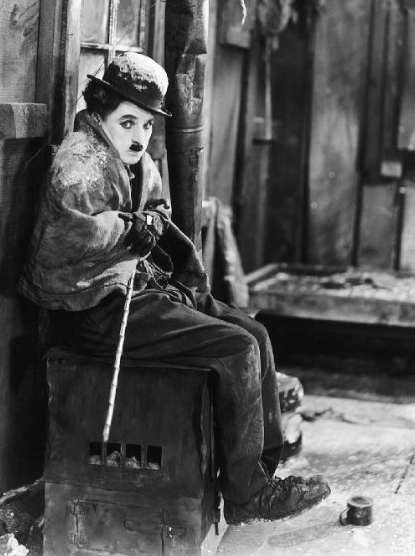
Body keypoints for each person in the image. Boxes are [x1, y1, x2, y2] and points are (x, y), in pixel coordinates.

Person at [18, 52, 330, 524]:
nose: (139, 136)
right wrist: (128, 229)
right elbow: (65, 237)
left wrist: (150, 221)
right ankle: (247, 495)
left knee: (255, 335)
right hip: (93, 307)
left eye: (147, 125)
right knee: (236, 349)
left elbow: (158, 209)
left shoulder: (136, 161)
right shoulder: (79, 163)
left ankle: (260, 476)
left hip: (141, 290)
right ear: (100, 113)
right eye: (128, 122)